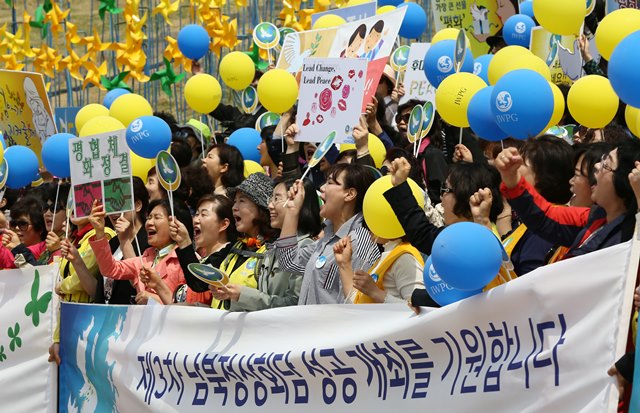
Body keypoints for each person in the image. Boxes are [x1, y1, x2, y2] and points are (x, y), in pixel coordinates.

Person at [384, 157, 510, 307]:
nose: (441, 197)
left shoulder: (490, 243)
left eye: (446, 189)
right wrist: (400, 185)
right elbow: (421, 233)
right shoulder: (453, 238)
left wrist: (420, 299)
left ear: (465, 195)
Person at [495, 138, 640, 263]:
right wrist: (512, 179)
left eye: (606, 164)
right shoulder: (592, 217)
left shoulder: (632, 237)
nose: (597, 166)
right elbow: (545, 217)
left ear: (626, 181)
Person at [277, 163, 381, 304]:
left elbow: (356, 303)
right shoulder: (328, 237)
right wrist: (292, 210)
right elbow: (288, 261)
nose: (322, 188)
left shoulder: (360, 242)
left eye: (330, 183)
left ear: (349, 194)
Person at [88, 198, 195, 305]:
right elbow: (109, 269)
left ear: (176, 224)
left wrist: (154, 300)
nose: (149, 223)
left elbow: (190, 307)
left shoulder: (188, 262)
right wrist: (99, 232)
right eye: (149, 217)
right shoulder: (145, 258)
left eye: (157, 217)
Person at [500, 135, 574, 276]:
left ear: (544, 178)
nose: (513, 168)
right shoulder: (534, 218)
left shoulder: (546, 229)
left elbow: (529, 280)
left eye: (521, 163)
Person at [207, 173, 279, 309]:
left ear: (261, 208)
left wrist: (241, 295)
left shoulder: (274, 252)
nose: (234, 207)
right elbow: (198, 282)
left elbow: (277, 306)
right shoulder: (236, 247)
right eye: (235, 201)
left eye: (242, 201)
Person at [166, 194, 237, 305]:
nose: (196, 220)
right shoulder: (203, 259)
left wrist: (184, 242)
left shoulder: (228, 257)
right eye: (196, 214)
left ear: (223, 224)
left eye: (203, 214)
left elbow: (198, 283)